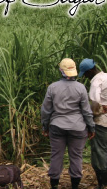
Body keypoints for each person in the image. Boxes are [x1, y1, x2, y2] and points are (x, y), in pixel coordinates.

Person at [41, 58, 95, 189]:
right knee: (76, 156)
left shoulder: (53, 87)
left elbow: (46, 110)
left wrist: (45, 126)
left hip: (57, 126)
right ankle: (75, 186)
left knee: (56, 155)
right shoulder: (81, 88)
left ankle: (54, 184)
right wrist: (91, 128)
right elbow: (86, 111)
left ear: (61, 71)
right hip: (77, 127)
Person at [79, 58, 107, 189]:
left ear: (90, 71)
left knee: (99, 152)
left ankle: (103, 183)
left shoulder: (96, 81)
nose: (85, 76)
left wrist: (97, 111)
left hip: (102, 121)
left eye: (85, 73)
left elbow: (95, 102)